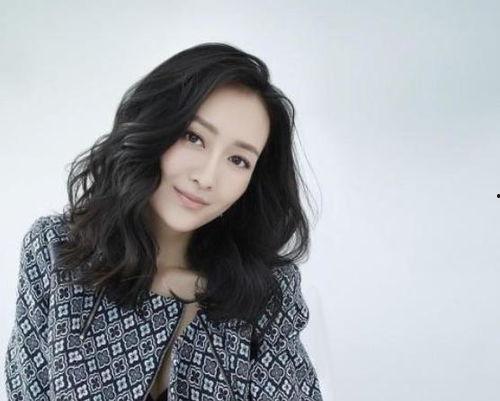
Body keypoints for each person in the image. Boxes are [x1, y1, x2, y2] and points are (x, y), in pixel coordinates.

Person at [4, 42, 323, 401]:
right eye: (194, 137)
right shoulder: (57, 251)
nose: (206, 177)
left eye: (238, 160)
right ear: (155, 126)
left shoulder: (265, 293)